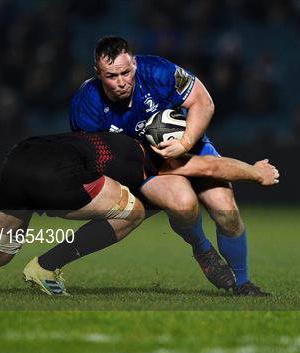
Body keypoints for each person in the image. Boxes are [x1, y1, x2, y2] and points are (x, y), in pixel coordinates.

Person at [0, 132, 279, 295]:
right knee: (134, 212)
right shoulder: (152, 156)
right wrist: (256, 173)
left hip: (18, 159)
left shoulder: (111, 139)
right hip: (56, 177)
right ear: (162, 141)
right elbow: (210, 167)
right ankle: (46, 267)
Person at [33, 36, 271, 296]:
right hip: (140, 163)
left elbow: (203, 102)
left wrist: (185, 142)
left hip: (186, 143)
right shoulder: (86, 105)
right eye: (111, 76)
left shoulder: (158, 70)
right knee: (183, 203)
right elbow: (95, 158)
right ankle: (201, 248)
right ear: (98, 73)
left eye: (125, 72)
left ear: (134, 64)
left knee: (226, 210)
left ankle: (243, 283)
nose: (121, 81)